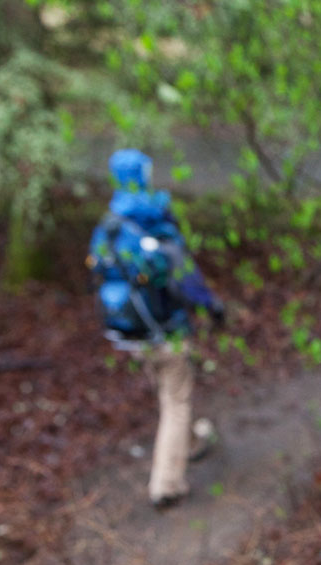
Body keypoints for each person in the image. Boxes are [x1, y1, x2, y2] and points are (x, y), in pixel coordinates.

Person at [88, 149, 224, 509]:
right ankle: (166, 484)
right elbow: (184, 275)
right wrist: (211, 308)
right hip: (168, 329)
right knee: (175, 401)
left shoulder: (109, 226)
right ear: (145, 175)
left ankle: (191, 444)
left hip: (128, 333)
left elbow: (96, 269)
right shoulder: (155, 221)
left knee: (169, 392)